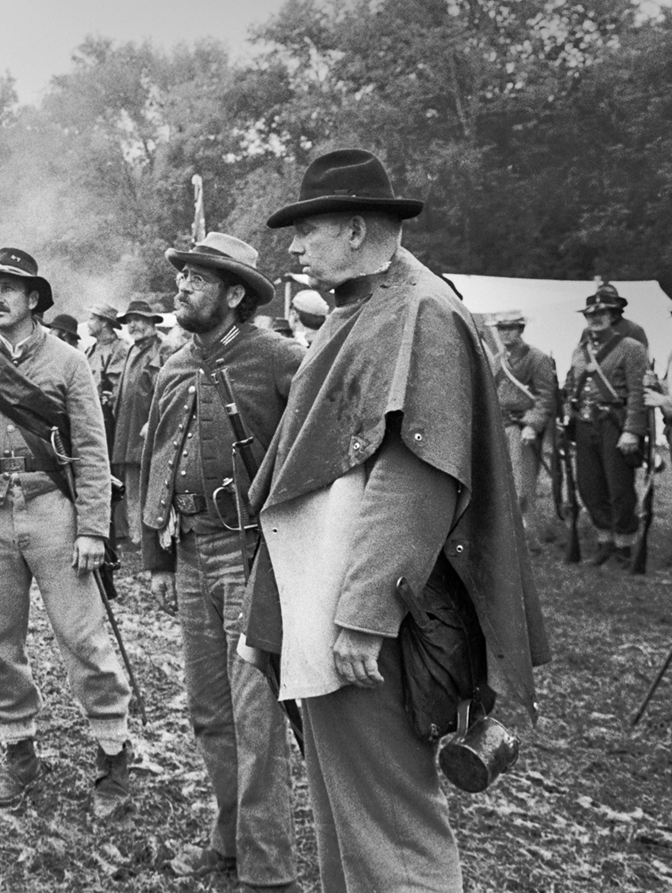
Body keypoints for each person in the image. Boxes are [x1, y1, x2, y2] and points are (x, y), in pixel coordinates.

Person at [244, 149, 550, 893]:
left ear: (353, 229)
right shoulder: (368, 303)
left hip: (377, 619)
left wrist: (363, 615)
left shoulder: (419, 312)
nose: (292, 247)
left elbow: (414, 477)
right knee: (348, 822)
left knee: (394, 839)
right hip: (333, 596)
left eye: (306, 229)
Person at [0, 247, 133, 818]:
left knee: (83, 639)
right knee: (0, 641)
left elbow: (93, 452)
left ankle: (113, 754)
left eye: (8, 289)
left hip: (54, 513)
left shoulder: (69, 362)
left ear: (34, 301)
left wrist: (94, 527)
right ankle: (18, 751)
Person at [141, 232, 304, 892]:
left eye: (198, 279)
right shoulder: (174, 366)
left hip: (251, 557)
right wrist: (156, 554)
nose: (182, 286)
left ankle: (270, 870)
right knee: (209, 711)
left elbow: (325, 451)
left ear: (235, 294)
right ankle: (230, 837)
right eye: (181, 276)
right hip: (191, 555)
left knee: (256, 717)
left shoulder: (281, 358)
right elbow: (157, 462)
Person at [564, 288, 650, 568]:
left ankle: (625, 546)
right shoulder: (580, 349)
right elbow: (571, 384)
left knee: (620, 490)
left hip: (615, 425)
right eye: (591, 314)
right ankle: (604, 542)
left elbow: (638, 392)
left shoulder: (631, 348)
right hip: (584, 425)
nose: (596, 318)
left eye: (602, 313)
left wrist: (633, 431)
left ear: (612, 315)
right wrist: (567, 413)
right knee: (589, 487)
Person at [110, 300, 168, 550]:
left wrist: (152, 421)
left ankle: (151, 538)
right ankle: (137, 536)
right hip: (128, 430)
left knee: (150, 484)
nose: (133, 325)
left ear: (152, 323)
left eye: (139, 319)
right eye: (129, 321)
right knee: (132, 485)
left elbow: (165, 391)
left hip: (148, 430)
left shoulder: (162, 350)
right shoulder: (132, 350)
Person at [489, 312, 558, 513]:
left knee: (521, 485)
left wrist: (532, 425)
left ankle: (524, 531)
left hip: (522, 428)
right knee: (499, 482)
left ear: (520, 330)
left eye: (511, 328)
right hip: (500, 426)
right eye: (501, 328)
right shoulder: (497, 359)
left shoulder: (537, 358)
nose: (505, 333)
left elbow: (546, 396)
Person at [84, 303, 128, 449]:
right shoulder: (90, 350)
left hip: (108, 421)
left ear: (103, 322)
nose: (87, 324)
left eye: (91, 319)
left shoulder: (119, 348)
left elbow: (119, 389)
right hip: (89, 418)